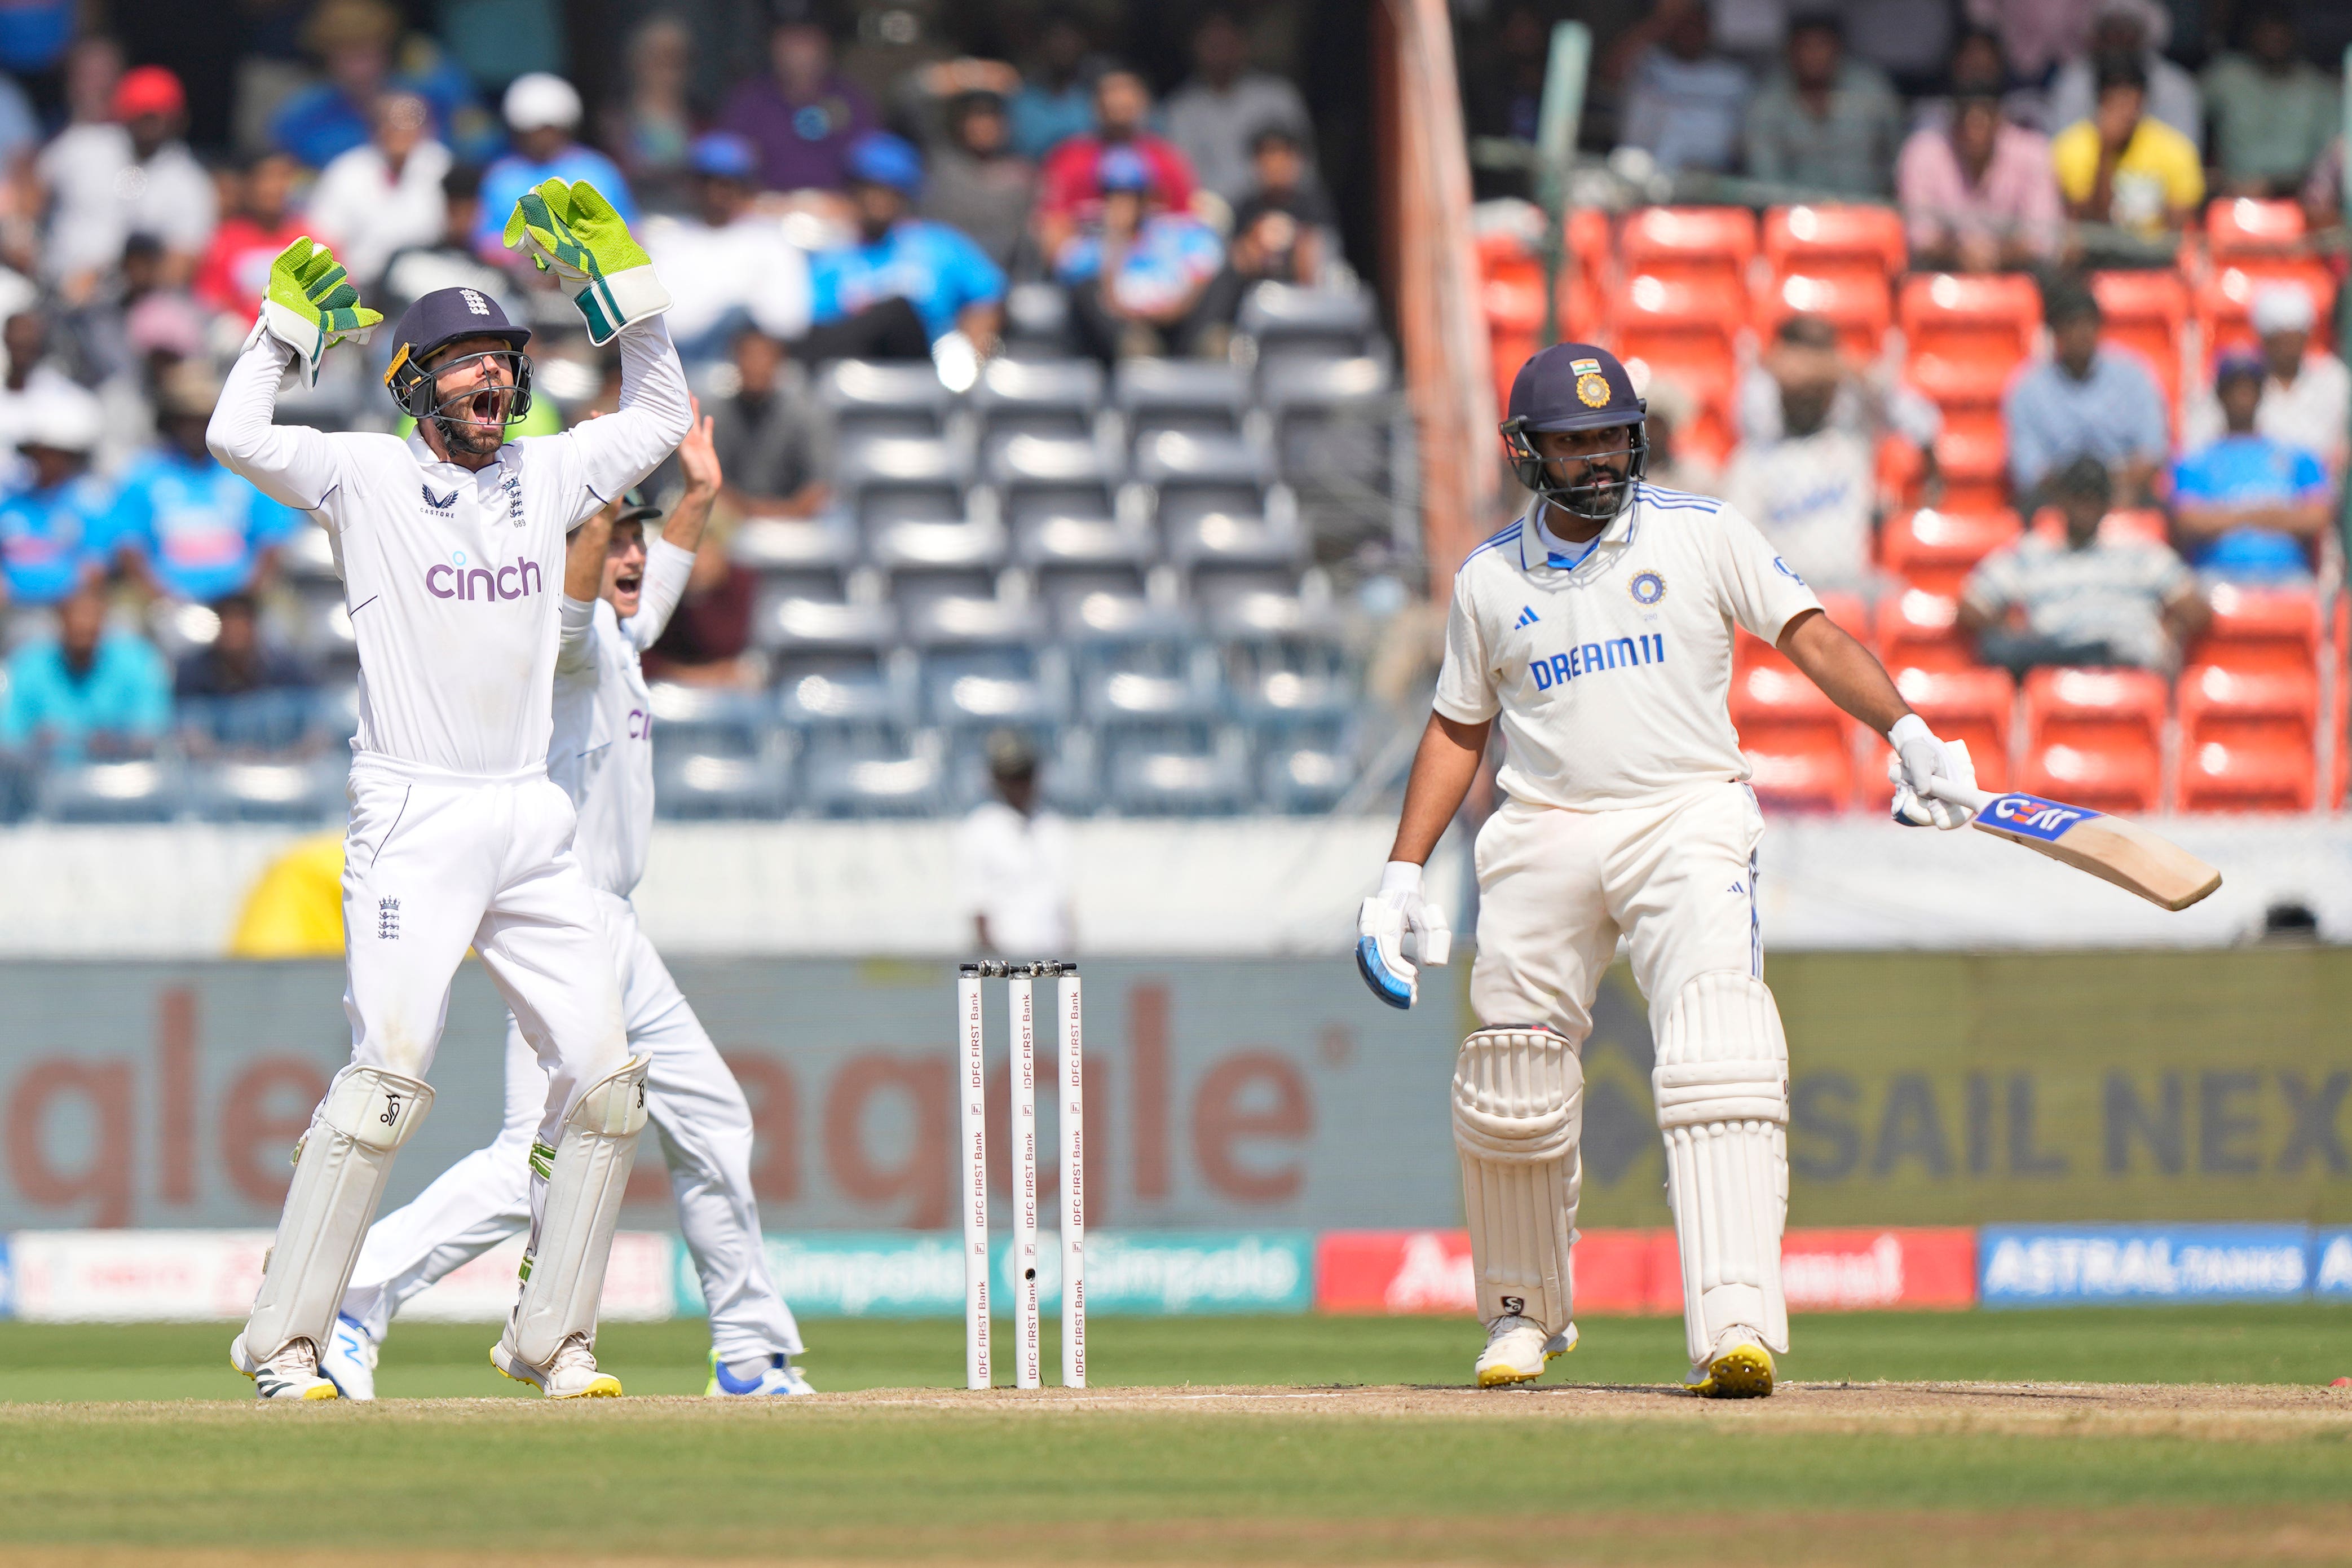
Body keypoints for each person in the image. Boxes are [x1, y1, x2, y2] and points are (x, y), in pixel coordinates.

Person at [1354, 341, 1979, 1398]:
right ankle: (1520, 1314)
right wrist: (1400, 876)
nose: (1597, 459)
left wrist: (1909, 732)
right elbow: (1458, 727)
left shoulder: (1703, 533)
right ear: (1527, 452)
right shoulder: (1489, 579)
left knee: (1718, 1049)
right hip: (1544, 826)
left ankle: (1732, 1317)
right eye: (1572, 442)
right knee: (1512, 1068)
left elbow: (1812, 637)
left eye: (1610, 436)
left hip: (1685, 816)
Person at [206, 189, 691, 1399]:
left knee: (608, 1082)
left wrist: (622, 292)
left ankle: (550, 1339)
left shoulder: (554, 470)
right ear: (415, 383)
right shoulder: (362, 476)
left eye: (509, 360)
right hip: (416, 817)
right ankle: (284, 1345)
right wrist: (278, 336)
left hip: (529, 813)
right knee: (388, 1076)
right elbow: (232, 434)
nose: (495, 378)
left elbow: (669, 411)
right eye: (470, 362)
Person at [324, 408, 813, 1403]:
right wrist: (589, 496)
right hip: (558, 917)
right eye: (614, 536)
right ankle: (352, 1292)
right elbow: (590, 597)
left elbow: (660, 581)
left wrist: (702, 495)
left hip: (618, 928)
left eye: (638, 536)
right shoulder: (565, 637)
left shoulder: (625, 636)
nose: (635, 553)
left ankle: (751, 1355)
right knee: (528, 1160)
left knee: (714, 1122)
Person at [1960, 456, 2207, 674]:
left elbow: (2196, 609)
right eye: (2078, 496)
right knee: (1995, 649)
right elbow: (1971, 606)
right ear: (2061, 500)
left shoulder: (2139, 553)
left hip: (2126, 665)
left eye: (2095, 496)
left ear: (2107, 502)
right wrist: (2010, 629)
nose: (2086, 505)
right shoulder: (2031, 554)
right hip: (2056, 667)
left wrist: (2168, 634)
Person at [109, 365, 304, 606]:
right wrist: (161, 600)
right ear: (170, 421)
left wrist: (244, 602)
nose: (196, 429)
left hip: (242, 604)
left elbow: (273, 542)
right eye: (187, 419)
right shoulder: (142, 475)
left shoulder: (250, 472)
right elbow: (130, 547)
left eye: (204, 419)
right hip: (161, 602)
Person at [806, 132, 1005, 360]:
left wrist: (971, 358)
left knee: (900, 311)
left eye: (888, 191)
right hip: (858, 369)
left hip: (928, 365)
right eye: (870, 189)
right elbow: (819, 324)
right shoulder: (833, 255)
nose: (878, 201)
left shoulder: (938, 244)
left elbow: (987, 297)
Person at [36, 64, 215, 302]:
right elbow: (29, 193)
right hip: (46, 284)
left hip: (129, 305)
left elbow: (179, 266)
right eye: (140, 112)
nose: (148, 123)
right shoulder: (83, 146)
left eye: (157, 114)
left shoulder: (189, 181)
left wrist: (105, 277)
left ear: (177, 118)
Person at [1718, 341, 1881, 593]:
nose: (1806, 400)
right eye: (1796, 394)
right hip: (1783, 591)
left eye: (1815, 393)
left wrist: (1816, 365)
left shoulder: (1851, 446)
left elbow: (1888, 394)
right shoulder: (1753, 458)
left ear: (1830, 400)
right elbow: (1736, 540)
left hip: (1850, 589)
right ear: (1780, 399)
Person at [642, 132, 811, 361]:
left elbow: (790, 322)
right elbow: (669, 324)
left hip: (759, 367)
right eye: (708, 183)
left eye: (729, 184)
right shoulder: (667, 240)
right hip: (688, 360)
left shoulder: (773, 241)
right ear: (693, 186)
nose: (718, 194)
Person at [1057, 147, 1232, 365]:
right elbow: (1099, 297)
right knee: (1086, 291)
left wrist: (1175, 310)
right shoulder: (1087, 249)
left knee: (1224, 280)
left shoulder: (1175, 234)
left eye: (1132, 194)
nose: (1123, 203)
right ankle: (1139, 355)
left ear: (1146, 198)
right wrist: (1116, 241)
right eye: (1114, 194)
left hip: (1180, 328)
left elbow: (1207, 264)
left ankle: (1203, 353)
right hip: (1122, 345)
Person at [268, 0, 488, 171]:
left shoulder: (432, 96)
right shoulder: (302, 116)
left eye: (366, 54)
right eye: (346, 56)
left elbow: (483, 147)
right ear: (327, 58)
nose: (359, 69)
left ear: (386, 51)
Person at [2169, 353, 2333, 583]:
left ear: (2261, 394)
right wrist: (2267, 515)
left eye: (2249, 388)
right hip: (2215, 580)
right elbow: (2189, 521)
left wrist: (2224, 517)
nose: (2241, 396)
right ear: (2219, 394)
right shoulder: (2195, 461)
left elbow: (2317, 517)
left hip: (2288, 579)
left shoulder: (2297, 456)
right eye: (2233, 388)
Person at [2002, 282, 2169, 503]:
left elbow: (2153, 451)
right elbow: (2030, 470)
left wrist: (2106, 490)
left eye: (2090, 323)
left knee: (2162, 511)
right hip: (2057, 499)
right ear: (2054, 332)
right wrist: (2078, 496)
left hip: (2125, 491)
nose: (2082, 333)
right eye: (2072, 324)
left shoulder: (2133, 375)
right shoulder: (2027, 388)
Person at [1034, 70, 1199, 266]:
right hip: (1085, 274)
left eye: (1126, 101)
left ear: (1144, 103)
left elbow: (1190, 229)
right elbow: (1052, 233)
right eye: (1110, 98)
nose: (1118, 105)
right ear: (1096, 106)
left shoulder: (1167, 160)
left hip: (1156, 274)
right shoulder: (1069, 159)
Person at [0, 578, 170, 762]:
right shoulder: (28, 667)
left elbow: (152, 727)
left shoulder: (137, 662)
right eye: (76, 619)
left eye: (91, 621)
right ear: (61, 620)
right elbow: (11, 738)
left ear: (103, 620)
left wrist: (119, 742)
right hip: (48, 782)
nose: (83, 626)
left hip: (119, 778)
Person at [2185, 284, 2349, 474]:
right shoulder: (2239, 384)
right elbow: (2198, 449)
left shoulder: (2333, 379)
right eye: (2281, 340)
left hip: (2318, 492)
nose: (2289, 349)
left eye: (2296, 338)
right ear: (2264, 339)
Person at [474, 74, 637, 263]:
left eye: (549, 129)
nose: (542, 138)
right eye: (534, 130)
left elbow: (629, 234)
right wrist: (538, 264)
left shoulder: (599, 171)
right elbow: (487, 241)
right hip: (518, 283)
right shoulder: (501, 176)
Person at [1897, 87, 2062, 270]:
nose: (1974, 130)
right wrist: (1961, 254)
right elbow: (1919, 238)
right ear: (1953, 121)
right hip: (1942, 270)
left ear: (2000, 120)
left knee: (2061, 286)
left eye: (1984, 118)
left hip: (2015, 270)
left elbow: (2042, 240)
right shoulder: (1923, 151)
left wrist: (1996, 255)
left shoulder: (2033, 151)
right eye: (1967, 119)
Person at [1741, 12, 1904, 198]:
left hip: (1868, 212)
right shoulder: (1767, 100)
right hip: (1794, 218)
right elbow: (1764, 177)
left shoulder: (1871, 89)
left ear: (1839, 49)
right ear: (1789, 51)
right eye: (1806, 47)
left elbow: (1898, 156)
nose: (1815, 55)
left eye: (1822, 46)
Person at [719, 6, 879, 194]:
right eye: (789, 41)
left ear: (826, 44)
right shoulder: (748, 102)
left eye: (807, 40)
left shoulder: (854, 103)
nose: (798, 53)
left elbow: (875, 180)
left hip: (838, 216)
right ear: (772, 46)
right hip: (762, 216)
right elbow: (725, 178)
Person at [1163, 10, 1315, 206]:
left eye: (1227, 43)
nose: (1220, 52)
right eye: (1213, 44)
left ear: (1244, 44)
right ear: (1196, 47)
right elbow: (1182, 179)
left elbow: (1306, 170)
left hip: (1276, 212)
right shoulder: (1180, 109)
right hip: (1212, 218)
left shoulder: (1279, 96)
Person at [307, 92, 455, 291]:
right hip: (363, 285)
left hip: (432, 279)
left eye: (410, 121)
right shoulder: (346, 173)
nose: (401, 131)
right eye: (392, 122)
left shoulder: (441, 166)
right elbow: (324, 240)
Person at [2051, 54, 2202, 248]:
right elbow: (2091, 223)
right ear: (2100, 100)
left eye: (2132, 101)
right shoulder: (2070, 147)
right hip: (2095, 256)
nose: (2125, 112)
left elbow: (2177, 230)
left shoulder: (2176, 148)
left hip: (2154, 260)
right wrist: (2104, 151)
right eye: (2115, 101)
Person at [2201, 5, 2340, 198]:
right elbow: (2189, 127)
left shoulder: (2319, 88)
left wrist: (2275, 187)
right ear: (2251, 34)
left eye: (2281, 32)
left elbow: (2333, 159)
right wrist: (2208, 173)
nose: (2274, 39)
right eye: (2266, 31)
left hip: (2302, 197)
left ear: (2295, 35)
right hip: (2232, 194)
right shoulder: (2224, 77)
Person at [957, 728, 1074, 956]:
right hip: (1004, 964)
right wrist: (997, 969)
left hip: (1051, 961)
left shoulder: (1053, 827)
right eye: (1011, 778)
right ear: (996, 780)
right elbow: (977, 906)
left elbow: (1064, 905)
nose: (1020, 785)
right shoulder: (979, 829)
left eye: (1025, 776)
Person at [0, 388, 113, 611]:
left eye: (56, 454)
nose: (48, 461)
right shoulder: (10, 506)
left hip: (68, 613)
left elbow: (95, 568)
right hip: (12, 611)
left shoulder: (87, 506)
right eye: (42, 453)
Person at [172, 590, 319, 756]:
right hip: (214, 773)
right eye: (227, 619)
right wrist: (230, 757)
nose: (233, 630)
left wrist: (282, 758)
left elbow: (316, 730)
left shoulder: (287, 670)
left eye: (240, 619)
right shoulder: (193, 671)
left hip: (279, 769)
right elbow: (187, 733)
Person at [2045, 0, 2204, 153]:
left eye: (2127, 30)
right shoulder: (2074, 82)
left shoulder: (2176, 87)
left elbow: (2186, 155)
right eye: (2111, 30)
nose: (2119, 39)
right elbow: (2062, 155)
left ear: (2145, 34)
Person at [1618, 5, 1751, 176]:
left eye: (1697, 26)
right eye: (1684, 25)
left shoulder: (1732, 78)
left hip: (1711, 179)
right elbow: (1609, 74)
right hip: (1644, 172)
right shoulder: (1649, 63)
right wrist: (1662, 21)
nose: (1690, 33)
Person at [711, 326, 830, 517]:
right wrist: (751, 512)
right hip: (731, 522)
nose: (756, 365)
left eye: (765, 357)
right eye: (749, 356)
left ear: (779, 363)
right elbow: (707, 482)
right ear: (736, 361)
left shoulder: (806, 415)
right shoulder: (714, 415)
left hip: (794, 522)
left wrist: (785, 514)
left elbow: (820, 484)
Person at [918, 90, 1037, 272]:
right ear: (960, 124)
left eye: (992, 118)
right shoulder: (939, 166)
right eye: (976, 118)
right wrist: (973, 74)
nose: (985, 127)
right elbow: (907, 100)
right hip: (946, 272)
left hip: (1003, 276)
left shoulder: (1021, 176)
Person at [193, 152, 307, 324]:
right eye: (267, 178)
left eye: (283, 177)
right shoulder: (226, 239)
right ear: (249, 184)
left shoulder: (310, 238)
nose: (276, 187)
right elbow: (212, 298)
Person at [603, 13, 699, 212]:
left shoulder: (702, 121)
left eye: (676, 58)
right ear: (636, 61)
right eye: (657, 57)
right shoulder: (612, 123)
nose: (667, 68)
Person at [641, 527, 758, 686]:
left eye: (703, 554)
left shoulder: (746, 585)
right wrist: (693, 676)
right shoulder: (657, 590)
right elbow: (643, 658)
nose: (695, 565)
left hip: (733, 689)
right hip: (670, 689)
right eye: (690, 557)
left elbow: (748, 655)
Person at [1228, 126, 1338, 287]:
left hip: (1303, 299)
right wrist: (1256, 245)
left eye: (1284, 158)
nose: (1276, 166)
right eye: (1268, 158)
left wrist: (1296, 241)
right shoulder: (1246, 207)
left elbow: (1319, 268)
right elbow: (1236, 264)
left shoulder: (1313, 206)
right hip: (1255, 298)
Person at [1009, 10, 1103, 158]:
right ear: (1041, 44)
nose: (1063, 46)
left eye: (1070, 39)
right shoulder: (1021, 98)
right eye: (1056, 38)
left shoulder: (1098, 94)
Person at [0, 310, 84, 465]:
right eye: (17, 341)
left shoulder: (63, 397)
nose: (22, 343)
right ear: (6, 339)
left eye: (28, 341)